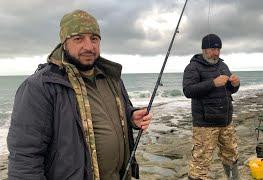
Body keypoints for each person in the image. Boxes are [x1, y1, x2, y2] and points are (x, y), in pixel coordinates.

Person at [7, 10, 152, 180]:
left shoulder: (112, 78)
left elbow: (115, 111)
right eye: (78, 39)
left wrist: (131, 116)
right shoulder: (40, 86)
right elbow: (25, 157)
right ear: (64, 42)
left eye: (94, 39)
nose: (89, 47)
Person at [183, 34, 240, 180]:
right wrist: (213, 83)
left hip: (226, 122)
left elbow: (230, 90)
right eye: (213, 49)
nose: (216, 53)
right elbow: (188, 91)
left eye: (218, 49)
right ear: (204, 49)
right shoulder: (193, 67)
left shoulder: (223, 65)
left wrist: (235, 84)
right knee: (200, 163)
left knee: (231, 155)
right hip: (205, 125)